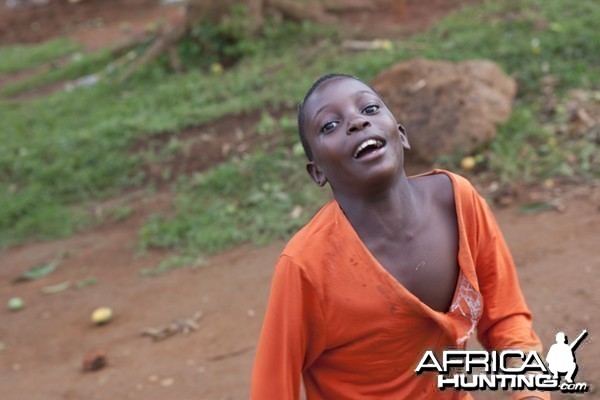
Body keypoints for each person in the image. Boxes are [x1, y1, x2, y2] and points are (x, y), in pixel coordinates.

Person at [250, 73, 548, 399]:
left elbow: (505, 320)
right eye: (329, 126)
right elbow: (273, 387)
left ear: (401, 134)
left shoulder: (457, 203)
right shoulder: (306, 265)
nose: (357, 122)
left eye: (370, 108)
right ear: (317, 171)